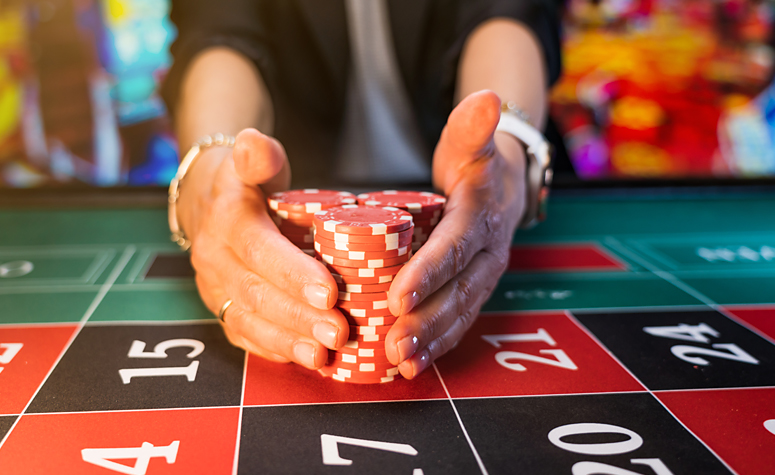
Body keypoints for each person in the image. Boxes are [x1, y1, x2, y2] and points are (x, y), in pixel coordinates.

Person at [162, 0, 563, 380]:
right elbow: (217, 26)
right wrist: (216, 165)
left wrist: (503, 150)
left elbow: (511, 9)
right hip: (297, 178)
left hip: (445, 182)